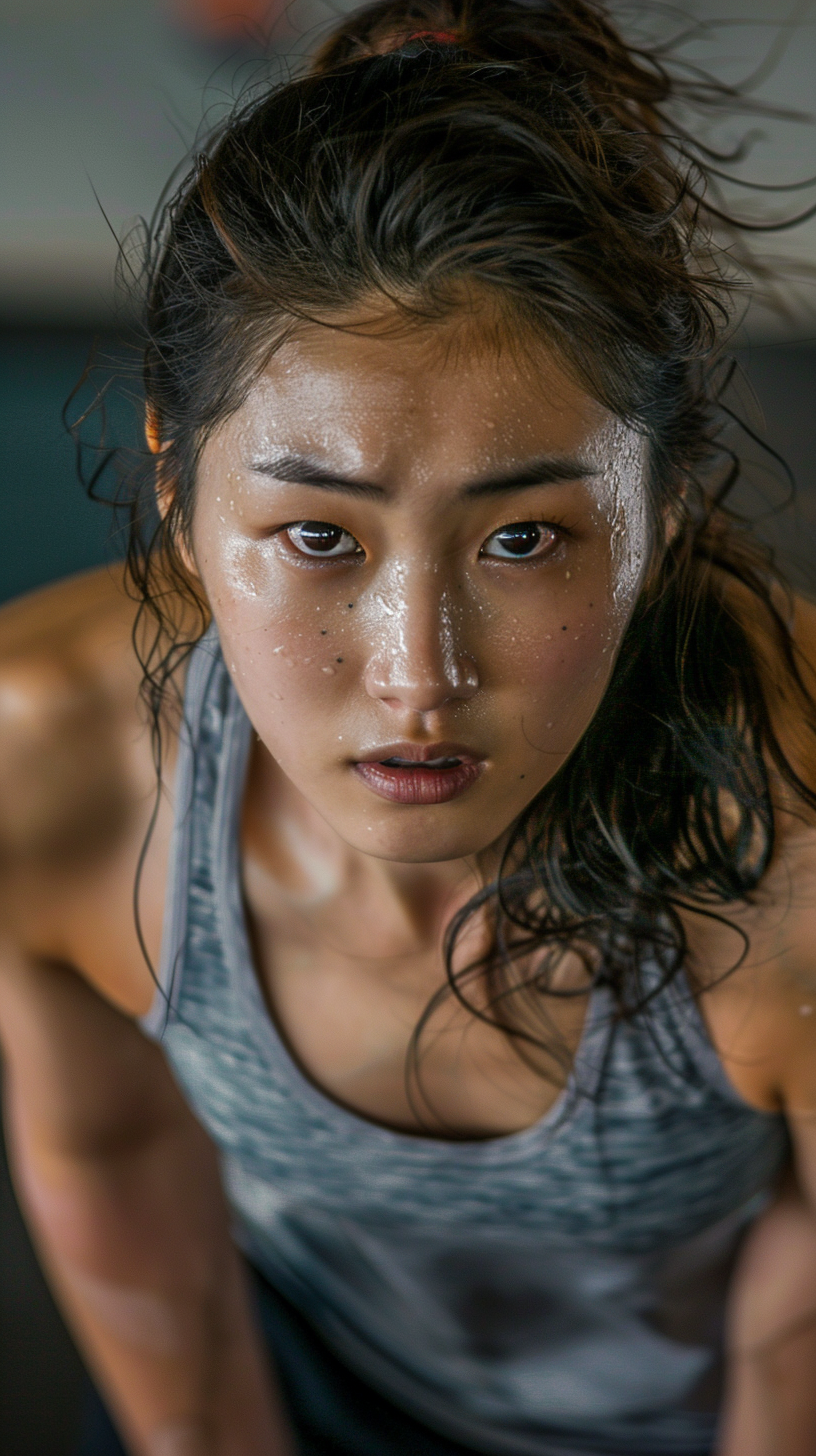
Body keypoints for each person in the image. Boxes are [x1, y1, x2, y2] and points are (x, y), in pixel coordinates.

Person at [2, 2, 816, 1453]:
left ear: (666, 513)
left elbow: (795, 1320)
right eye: (319, 535)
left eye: (523, 543)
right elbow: (121, 1155)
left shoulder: (797, 854)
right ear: (178, 491)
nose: (417, 676)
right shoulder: (45, 764)